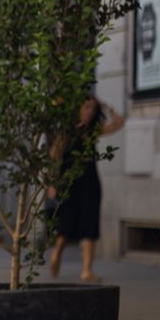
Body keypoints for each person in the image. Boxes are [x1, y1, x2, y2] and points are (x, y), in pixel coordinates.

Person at [48, 95, 125, 282]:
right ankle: (56, 254)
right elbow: (54, 155)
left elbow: (119, 123)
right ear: (78, 108)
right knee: (66, 222)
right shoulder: (67, 131)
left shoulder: (93, 130)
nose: (89, 112)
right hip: (69, 182)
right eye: (86, 107)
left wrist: (105, 104)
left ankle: (86, 270)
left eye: (92, 108)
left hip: (90, 182)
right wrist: (52, 182)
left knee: (90, 224)